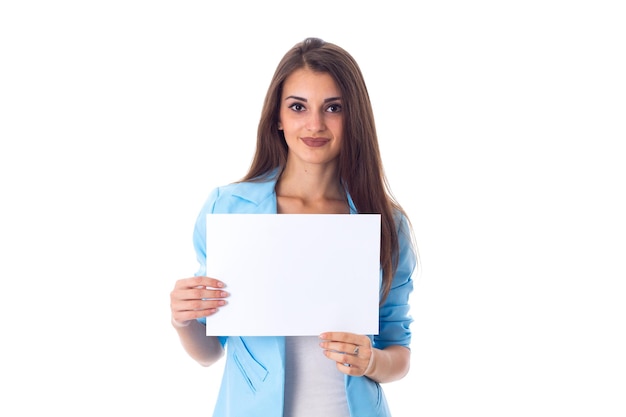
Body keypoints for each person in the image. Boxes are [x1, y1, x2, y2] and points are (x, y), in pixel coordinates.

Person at [170, 37, 418, 417]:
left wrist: (371, 361)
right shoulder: (230, 210)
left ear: (354, 117)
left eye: (333, 108)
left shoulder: (385, 224)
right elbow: (210, 352)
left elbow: (398, 349)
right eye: (298, 107)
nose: (315, 124)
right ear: (278, 118)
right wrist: (183, 319)